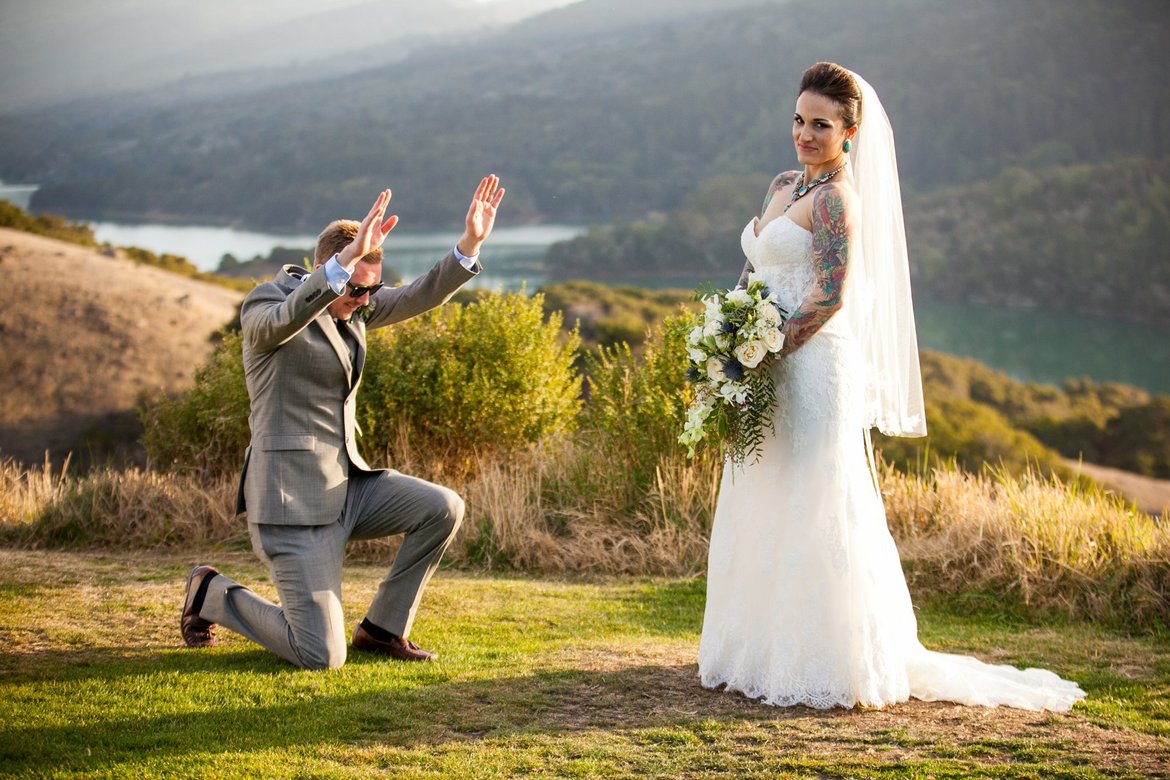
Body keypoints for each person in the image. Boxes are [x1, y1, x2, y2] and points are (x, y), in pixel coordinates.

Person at [697, 63, 1085, 711]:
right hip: (761, 366)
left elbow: (830, 295)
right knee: (761, 491)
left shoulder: (837, 202)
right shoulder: (782, 185)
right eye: (799, 119)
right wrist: (726, 342)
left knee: (815, 500)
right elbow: (752, 268)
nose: (805, 133)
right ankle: (757, 651)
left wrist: (762, 350)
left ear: (849, 133)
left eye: (821, 124)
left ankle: (828, 658)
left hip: (813, 368)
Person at [180, 176, 505, 669]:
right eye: (355, 287)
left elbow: (419, 294)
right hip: (292, 505)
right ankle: (210, 593)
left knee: (442, 507)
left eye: (369, 292)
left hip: (348, 487)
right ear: (327, 268)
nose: (363, 299)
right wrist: (343, 267)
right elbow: (287, 318)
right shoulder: (267, 305)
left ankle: (382, 629)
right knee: (320, 656)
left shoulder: (355, 308)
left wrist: (469, 245)